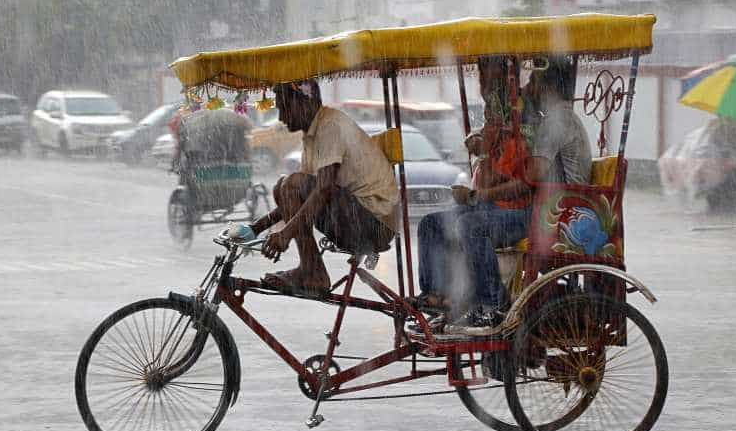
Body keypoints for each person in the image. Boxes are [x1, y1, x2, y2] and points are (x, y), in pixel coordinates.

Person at [444, 57, 593, 335]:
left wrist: (492, 169)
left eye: (535, 80)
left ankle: (493, 305)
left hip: (554, 215)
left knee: (470, 226)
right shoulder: (555, 118)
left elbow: (532, 175)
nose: (530, 86)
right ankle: (463, 296)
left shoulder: (556, 121)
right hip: (548, 208)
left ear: (547, 86)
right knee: (450, 220)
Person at [246, 80, 399, 296]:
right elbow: (297, 199)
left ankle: (313, 272)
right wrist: (254, 229)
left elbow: (323, 189)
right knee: (282, 186)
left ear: (305, 104)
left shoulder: (330, 125)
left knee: (291, 184)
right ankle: (310, 269)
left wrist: (285, 234)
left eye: (284, 108)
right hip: (359, 217)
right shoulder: (312, 134)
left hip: (375, 226)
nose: (281, 118)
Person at [413, 57, 533, 326]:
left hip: (520, 211)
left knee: (469, 225)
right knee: (431, 224)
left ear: (504, 72)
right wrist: (479, 141)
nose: (482, 80)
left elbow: (524, 182)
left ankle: (492, 302)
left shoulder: (521, 111)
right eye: (480, 72)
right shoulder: (494, 106)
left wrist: (478, 195)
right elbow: (486, 149)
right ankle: (440, 295)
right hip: (491, 204)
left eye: (487, 71)